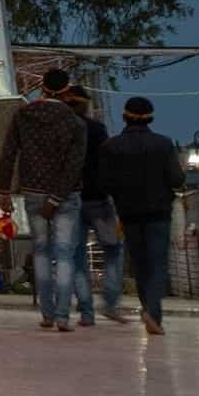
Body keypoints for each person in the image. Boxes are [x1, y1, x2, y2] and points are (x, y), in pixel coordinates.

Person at [0, 68, 87, 331]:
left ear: (42, 86)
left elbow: (8, 154)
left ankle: (46, 313)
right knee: (65, 255)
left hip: (33, 194)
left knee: (42, 252)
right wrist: (57, 198)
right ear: (66, 89)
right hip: (66, 197)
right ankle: (62, 316)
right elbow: (74, 165)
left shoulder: (23, 114)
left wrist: (4, 191)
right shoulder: (75, 122)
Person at [102, 96, 186, 336]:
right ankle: (152, 312)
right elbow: (177, 180)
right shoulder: (163, 144)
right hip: (159, 212)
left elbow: (105, 183)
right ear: (151, 118)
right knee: (157, 263)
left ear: (124, 117)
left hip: (128, 212)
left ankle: (148, 309)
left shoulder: (111, 147)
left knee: (139, 264)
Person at [63, 85, 125, 327]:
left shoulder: (61, 130)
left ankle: (87, 312)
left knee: (77, 256)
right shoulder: (97, 130)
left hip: (70, 200)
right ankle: (110, 303)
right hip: (99, 200)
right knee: (113, 250)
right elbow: (109, 165)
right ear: (84, 104)